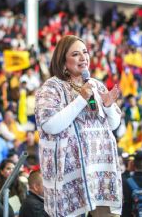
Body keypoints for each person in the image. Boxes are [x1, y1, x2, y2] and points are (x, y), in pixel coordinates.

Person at [35, 35, 122, 216]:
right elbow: (50, 125)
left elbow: (113, 125)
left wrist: (108, 106)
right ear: (63, 61)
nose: (83, 58)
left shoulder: (96, 85)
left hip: (99, 173)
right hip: (69, 175)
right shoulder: (52, 87)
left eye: (85, 52)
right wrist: (82, 99)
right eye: (75, 54)